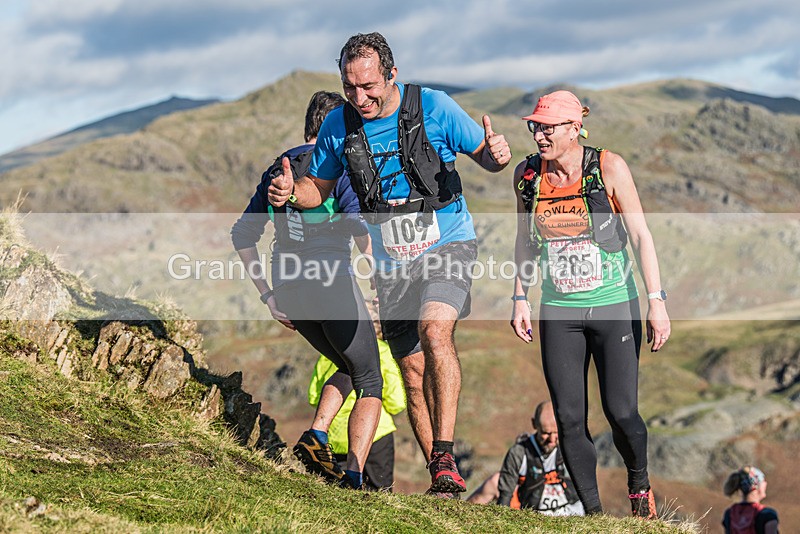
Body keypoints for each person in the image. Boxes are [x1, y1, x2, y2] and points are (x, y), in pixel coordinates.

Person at [268, 32, 511, 497]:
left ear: (391, 75)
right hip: (391, 264)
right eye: (350, 87)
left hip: (446, 243)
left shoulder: (433, 107)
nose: (360, 98)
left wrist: (497, 156)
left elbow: (485, 155)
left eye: (369, 86)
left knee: (435, 330)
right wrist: (291, 193)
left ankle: (445, 452)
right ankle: (442, 479)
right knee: (412, 373)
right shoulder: (339, 124)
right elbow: (317, 189)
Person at [509, 90, 671, 517]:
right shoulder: (528, 176)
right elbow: (524, 241)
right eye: (535, 127)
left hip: (614, 305)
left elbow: (640, 236)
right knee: (568, 418)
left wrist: (656, 301)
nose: (539, 135)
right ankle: (594, 516)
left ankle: (639, 486)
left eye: (548, 128)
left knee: (621, 412)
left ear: (574, 128)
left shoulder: (608, 167)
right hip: (559, 311)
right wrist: (520, 297)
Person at [231, 90, 382, 490]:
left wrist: (268, 296)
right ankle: (354, 478)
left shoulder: (277, 170)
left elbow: (242, 234)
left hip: (288, 289)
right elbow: (360, 228)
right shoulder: (339, 166)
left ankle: (316, 436)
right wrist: (380, 280)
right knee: (370, 378)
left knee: (349, 364)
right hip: (330, 282)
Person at [307, 299, 406, 491]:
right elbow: (397, 402)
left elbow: (313, 396)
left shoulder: (329, 354)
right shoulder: (382, 352)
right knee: (379, 489)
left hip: (335, 437)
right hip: (375, 435)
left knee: (337, 489)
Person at [466, 401, 583, 516]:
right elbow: (505, 496)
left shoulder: (571, 448)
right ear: (534, 424)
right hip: (534, 513)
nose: (552, 440)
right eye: (546, 433)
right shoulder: (519, 452)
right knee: (495, 481)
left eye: (556, 432)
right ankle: (464, 514)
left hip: (572, 512)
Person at [722, 466, 779, 534]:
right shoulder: (767, 515)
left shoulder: (730, 514)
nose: (765, 484)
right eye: (763, 481)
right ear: (756, 486)